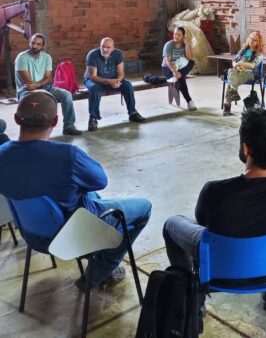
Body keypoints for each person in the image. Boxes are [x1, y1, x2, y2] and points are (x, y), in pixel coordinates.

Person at [163, 108, 266, 311]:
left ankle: (192, 304)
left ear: (246, 149)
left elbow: (201, 221)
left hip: (223, 272)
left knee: (171, 225)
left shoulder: (214, 191)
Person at [0, 90, 152, 290]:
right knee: (144, 208)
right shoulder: (67, 155)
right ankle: (99, 272)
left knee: (86, 193)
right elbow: (100, 180)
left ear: (16, 119)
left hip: (33, 236)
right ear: (55, 121)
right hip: (73, 236)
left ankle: (100, 257)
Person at [14, 33, 82, 136]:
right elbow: (29, 82)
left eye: (38, 44)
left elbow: (48, 78)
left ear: (43, 46)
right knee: (36, 103)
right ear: (29, 43)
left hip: (45, 87)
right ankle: (31, 133)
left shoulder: (47, 57)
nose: (35, 46)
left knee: (66, 94)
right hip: (26, 91)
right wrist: (38, 86)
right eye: (33, 43)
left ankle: (69, 126)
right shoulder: (21, 57)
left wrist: (39, 85)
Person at [84, 37, 146, 131]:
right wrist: (109, 82)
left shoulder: (118, 54)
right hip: (94, 80)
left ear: (112, 48)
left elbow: (121, 74)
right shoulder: (93, 55)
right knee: (95, 88)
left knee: (127, 84)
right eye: (103, 47)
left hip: (112, 78)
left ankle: (132, 113)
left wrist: (117, 81)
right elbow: (93, 76)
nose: (105, 49)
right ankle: (93, 118)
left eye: (108, 47)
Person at [223, 31, 264, 116]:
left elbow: (252, 65)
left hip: (250, 73)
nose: (251, 41)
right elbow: (234, 60)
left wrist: (239, 64)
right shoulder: (245, 50)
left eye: (254, 40)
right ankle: (234, 91)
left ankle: (227, 108)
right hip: (240, 70)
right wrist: (235, 65)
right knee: (231, 71)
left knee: (231, 79)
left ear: (258, 42)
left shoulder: (259, 54)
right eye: (250, 38)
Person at [162, 27, 197, 111]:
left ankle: (179, 75)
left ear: (183, 36)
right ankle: (189, 101)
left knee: (191, 62)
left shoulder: (184, 45)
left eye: (179, 35)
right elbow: (167, 62)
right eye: (175, 34)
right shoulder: (169, 45)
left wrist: (187, 44)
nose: (176, 36)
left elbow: (189, 57)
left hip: (179, 68)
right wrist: (174, 71)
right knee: (180, 78)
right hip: (167, 68)